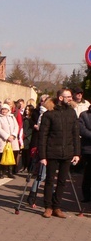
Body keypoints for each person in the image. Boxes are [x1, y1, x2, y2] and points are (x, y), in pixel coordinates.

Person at [38, 89, 81, 218]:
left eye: (70, 96)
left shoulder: (72, 112)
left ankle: (57, 206)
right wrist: (42, 156)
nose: (70, 98)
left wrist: (77, 153)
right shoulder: (49, 114)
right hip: (52, 152)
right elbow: (43, 136)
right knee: (50, 180)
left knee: (62, 181)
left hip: (67, 152)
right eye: (68, 96)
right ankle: (48, 207)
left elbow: (75, 134)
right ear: (61, 98)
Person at [0, 102, 19, 179]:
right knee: (2, 155)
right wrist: (7, 136)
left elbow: (16, 126)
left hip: (13, 139)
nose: (4, 111)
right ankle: (1, 172)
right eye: (2, 109)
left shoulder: (12, 117)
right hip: (3, 140)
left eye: (5, 109)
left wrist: (13, 135)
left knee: (12, 155)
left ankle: (10, 172)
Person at [79, 104, 91, 203]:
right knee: (88, 173)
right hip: (88, 149)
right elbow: (82, 130)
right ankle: (86, 195)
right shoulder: (84, 115)